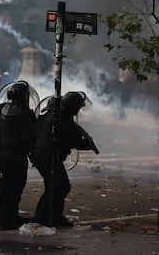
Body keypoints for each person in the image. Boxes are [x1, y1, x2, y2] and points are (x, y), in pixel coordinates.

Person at [30, 92, 99, 227]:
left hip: (41, 154)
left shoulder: (53, 115)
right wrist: (87, 144)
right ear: (72, 107)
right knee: (60, 186)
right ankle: (45, 217)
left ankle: (49, 216)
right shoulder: (62, 120)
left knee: (54, 186)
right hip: (48, 155)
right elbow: (74, 140)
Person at [0, 81, 36, 230]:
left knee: (4, 183)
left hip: (3, 153)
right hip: (17, 155)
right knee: (15, 186)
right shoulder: (23, 113)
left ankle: (0, 211)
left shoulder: (1, 109)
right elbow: (28, 137)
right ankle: (8, 218)